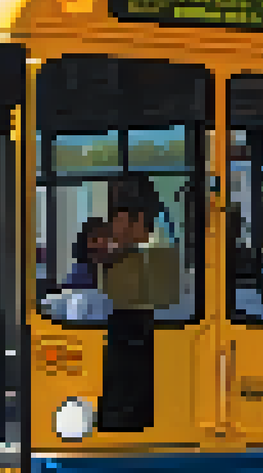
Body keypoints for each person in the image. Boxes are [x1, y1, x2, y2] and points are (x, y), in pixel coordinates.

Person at [96, 175, 180, 432]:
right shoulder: (126, 255)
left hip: (141, 354)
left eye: (117, 220)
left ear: (138, 221)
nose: (111, 227)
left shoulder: (156, 256)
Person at [64, 217, 113, 290]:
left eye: (106, 238)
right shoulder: (78, 275)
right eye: (95, 240)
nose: (102, 243)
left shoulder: (116, 268)